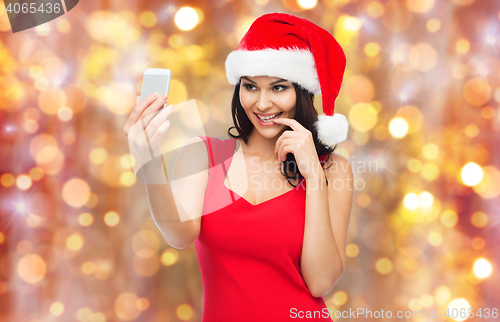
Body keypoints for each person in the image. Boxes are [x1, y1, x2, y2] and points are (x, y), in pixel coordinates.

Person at [123, 12, 353, 322]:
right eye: (251, 87)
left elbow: (320, 281)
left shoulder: (332, 169)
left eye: (278, 88)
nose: (262, 104)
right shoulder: (207, 155)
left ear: (301, 91)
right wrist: (148, 158)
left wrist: (313, 176)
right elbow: (179, 234)